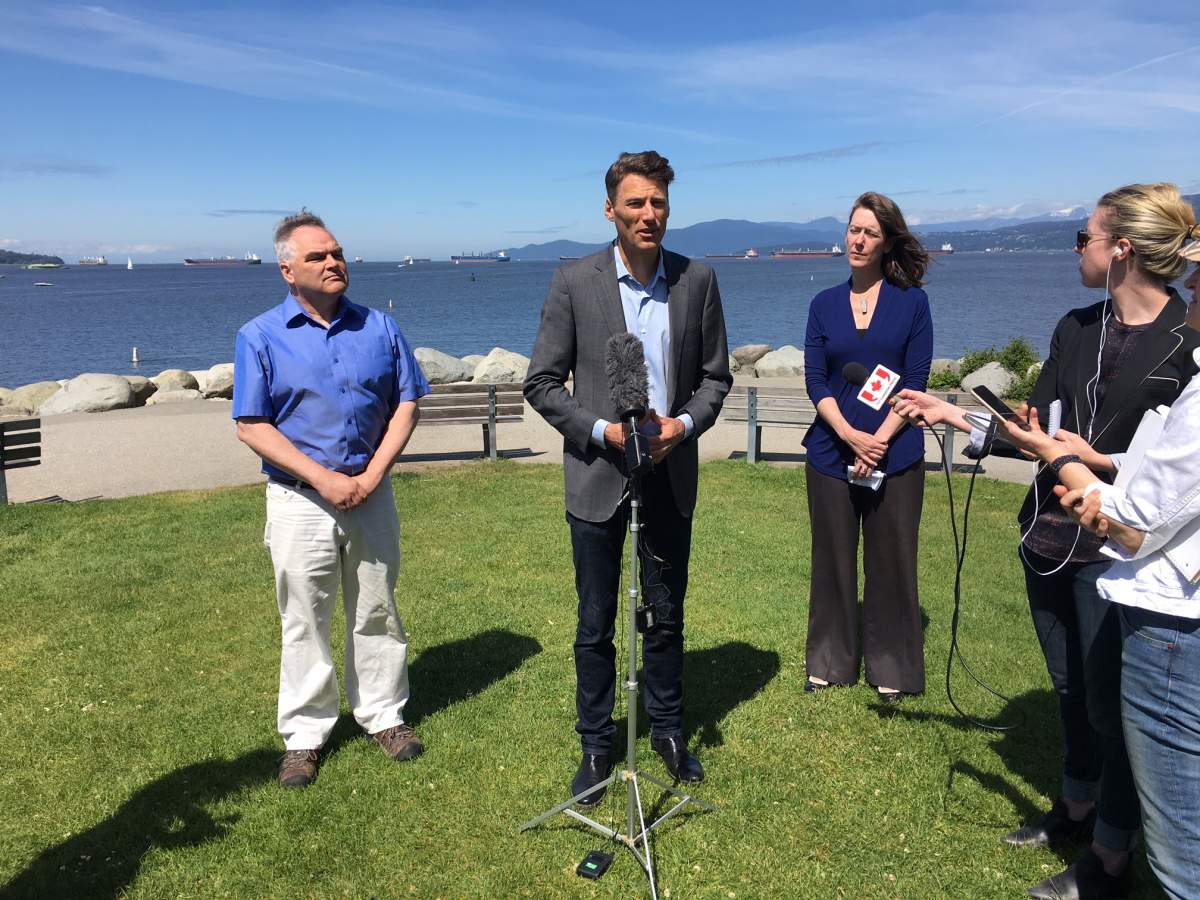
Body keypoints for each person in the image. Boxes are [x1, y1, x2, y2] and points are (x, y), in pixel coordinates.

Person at [893, 186, 1200, 899]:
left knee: (1115, 710)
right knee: (1071, 690)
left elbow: (1164, 483)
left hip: (1123, 553)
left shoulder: (1187, 340)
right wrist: (951, 413)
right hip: (1048, 534)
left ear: (1121, 248)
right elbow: (1034, 434)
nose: (1076, 249)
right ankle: (1076, 806)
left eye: (1083, 237)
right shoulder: (1074, 328)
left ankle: (1111, 854)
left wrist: (1088, 462)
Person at [523, 151, 732, 806]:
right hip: (597, 475)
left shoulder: (697, 280)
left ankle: (667, 729)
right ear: (610, 208)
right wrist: (601, 431)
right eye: (636, 202)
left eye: (658, 202)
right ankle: (595, 744)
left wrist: (683, 427)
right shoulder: (573, 281)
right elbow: (541, 382)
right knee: (596, 622)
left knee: (665, 614)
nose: (649, 214)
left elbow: (716, 379)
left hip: (669, 473)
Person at [232, 210, 430, 789]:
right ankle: (305, 735)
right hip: (299, 501)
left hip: (372, 492)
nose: (333, 262)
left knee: (377, 609)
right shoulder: (259, 336)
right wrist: (325, 479)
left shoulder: (380, 327)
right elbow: (252, 425)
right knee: (304, 618)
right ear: (287, 270)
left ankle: (384, 715)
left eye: (337, 252)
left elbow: (407, 403)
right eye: (317, 256)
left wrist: (371, 475)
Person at [801, 192, 932, 703]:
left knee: (892, 563)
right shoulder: (822, 305)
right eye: (853, 230)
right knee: (831, 561)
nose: (858, 240)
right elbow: (816, 380)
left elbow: (916, 380)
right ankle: (829, 663)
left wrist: (877, 442)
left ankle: (892, 666)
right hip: (830, 454)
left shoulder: (912, 303)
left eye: (870, 233)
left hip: (895, 456)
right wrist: (849, 435)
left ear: (887, 242)